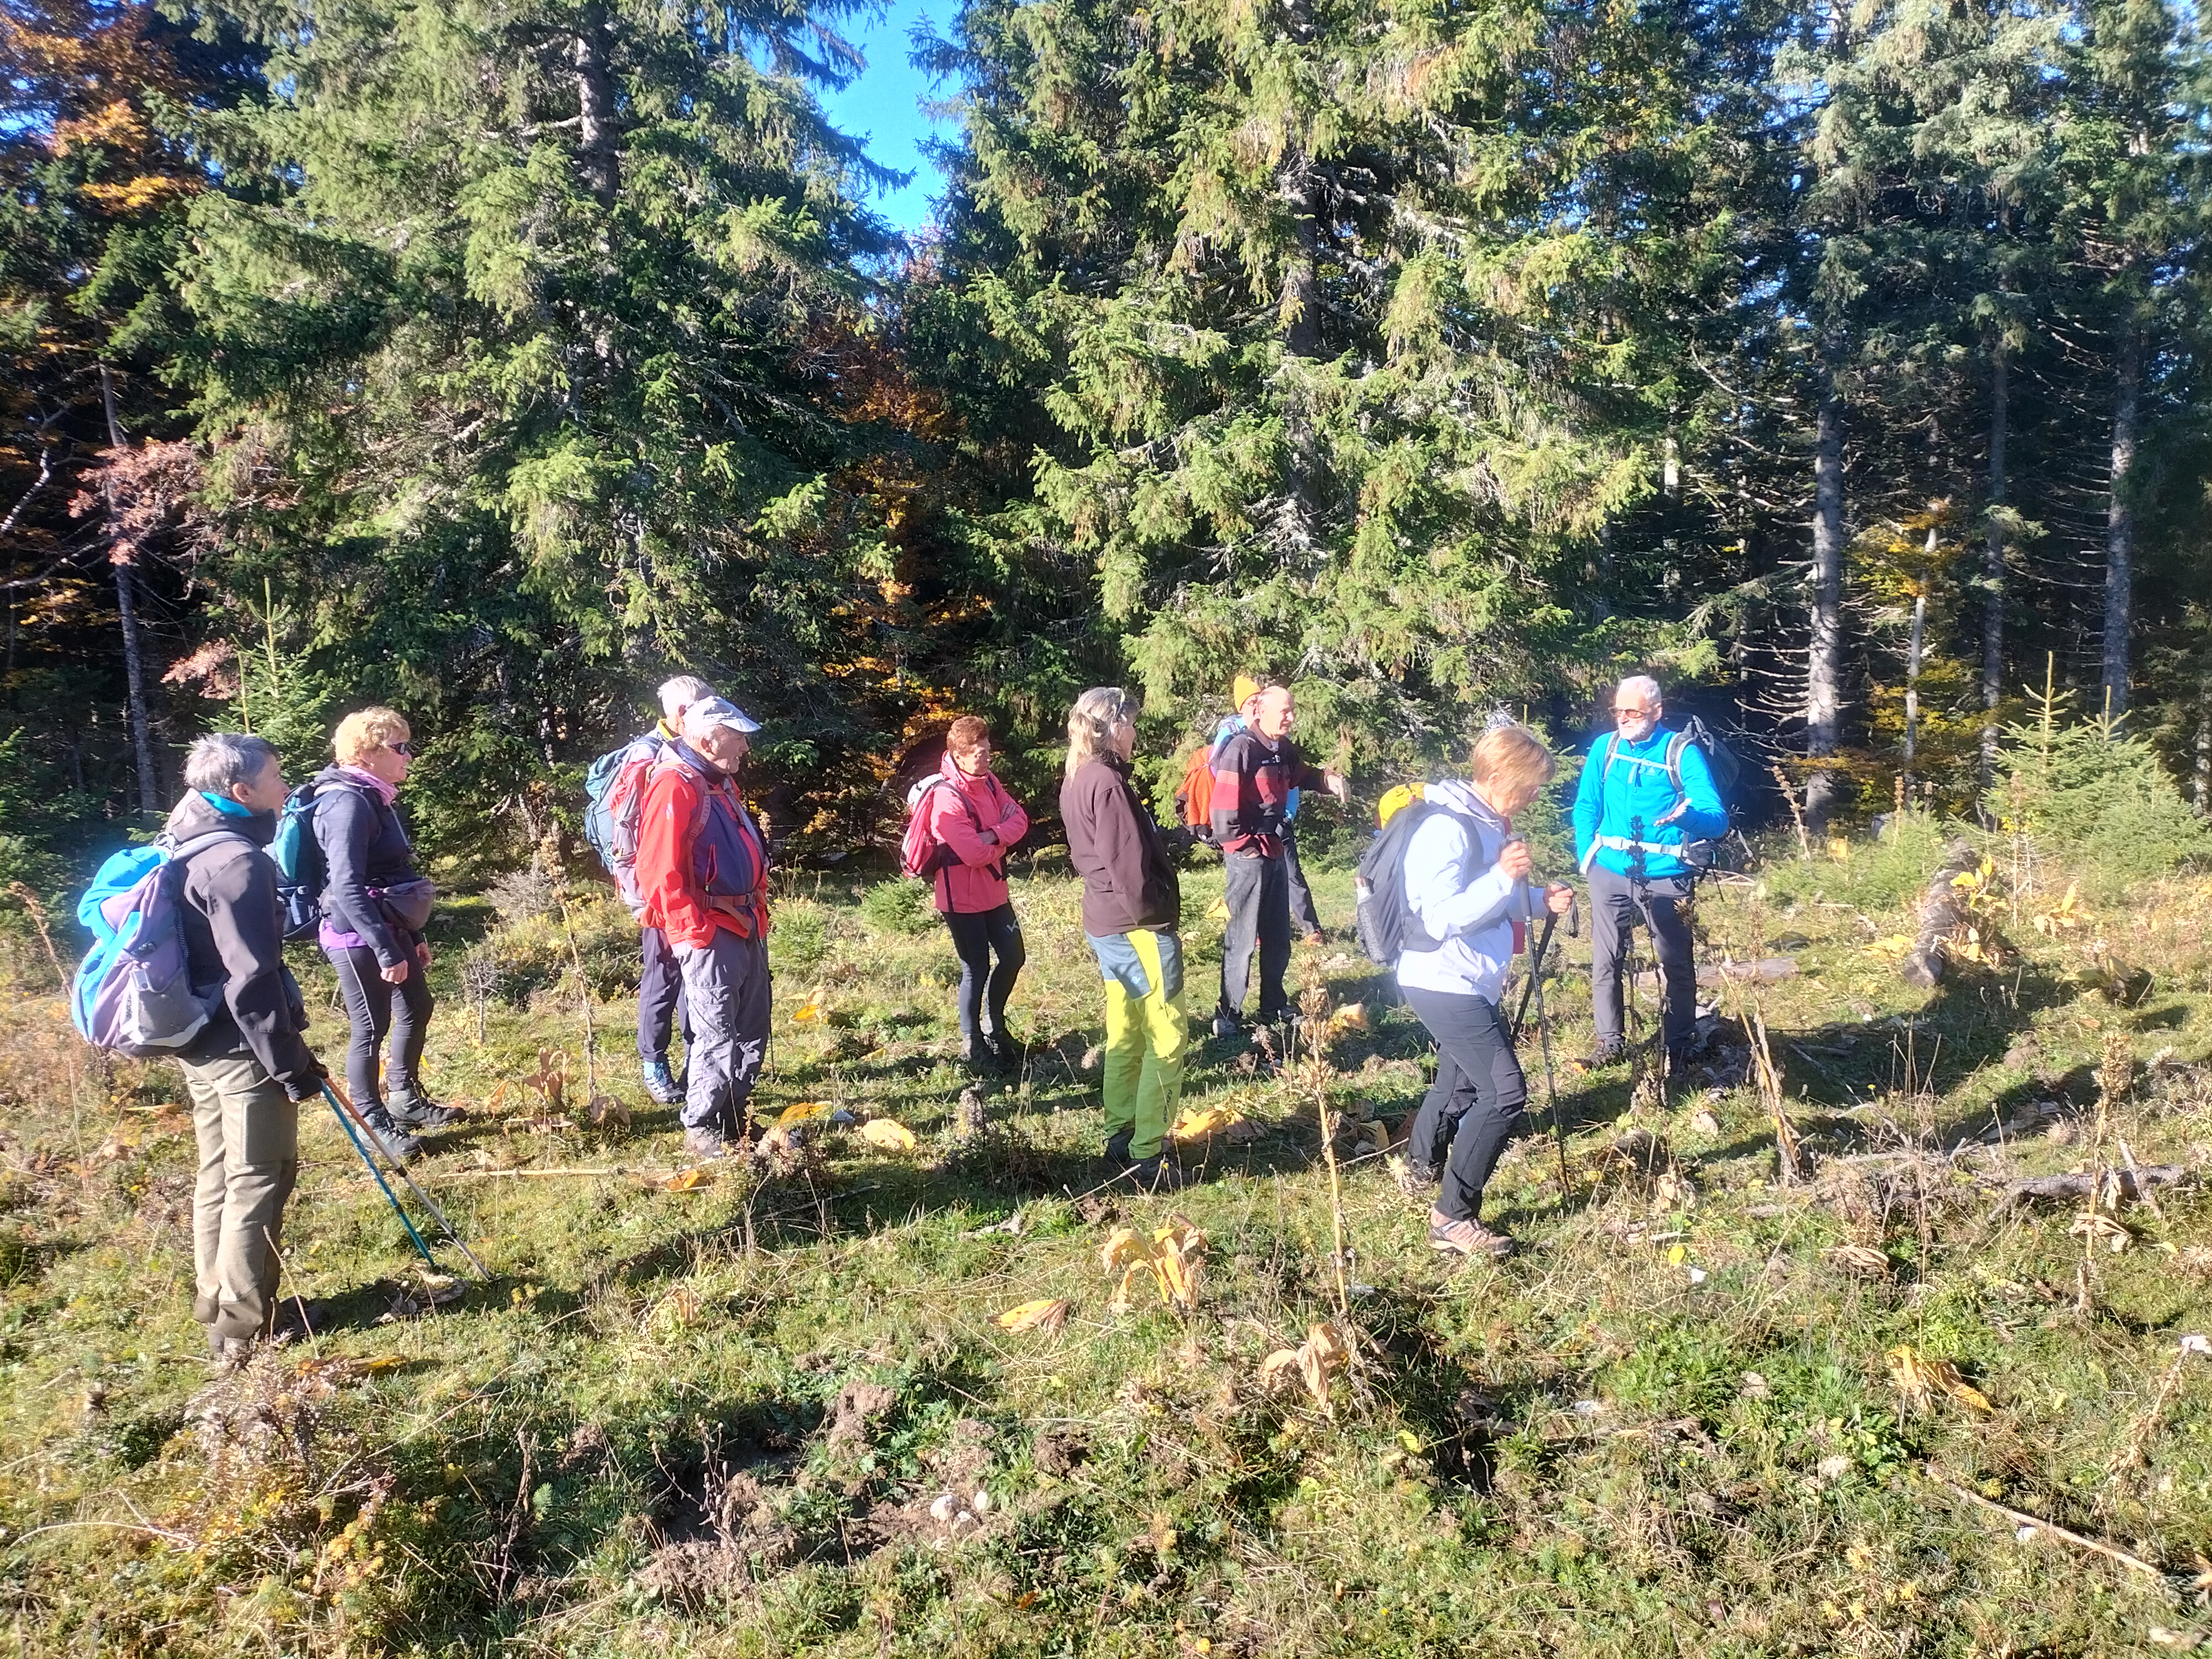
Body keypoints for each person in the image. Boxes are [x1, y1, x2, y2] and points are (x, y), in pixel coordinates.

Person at [168, 734, 328, 1365]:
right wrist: (287, 1063)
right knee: (261, 1176)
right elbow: (253, 978)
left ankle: (221, 1307)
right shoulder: (238, 862)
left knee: (219, 1174)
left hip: (199, 1038)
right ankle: (240, 1332)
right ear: (241, 793)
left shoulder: (187, 838)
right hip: (241, 1047)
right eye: (276, 778)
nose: (285, 788)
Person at [1394, 724, 1576, 1259]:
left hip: (1468, 977)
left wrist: (1540, 899)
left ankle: (1420, 1169)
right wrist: (1501, 878)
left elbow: (1494, 901)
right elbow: (1441, 914)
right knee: (1504, 1092)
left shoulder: (1491, 823)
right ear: (1496, 777)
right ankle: (1453, 1217)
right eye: (1528, 785)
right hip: (1441, 979)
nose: (1534, 796)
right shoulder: (1447, 829)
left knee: (1462, 1085)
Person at [635, 695, 774, 1160]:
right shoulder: (677, 784)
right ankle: (703, 1127)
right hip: (711, 931)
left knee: (753, 1027)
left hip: (745, 923)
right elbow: (658, 872)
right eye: (738, 738)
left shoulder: (718, 781)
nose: (745, 749)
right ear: (709, 738)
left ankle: (738, 1115)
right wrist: (693, 931)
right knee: (715, 1032)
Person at [1061, 687, 1188, 1190]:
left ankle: (1120, 1132)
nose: (1136, 732)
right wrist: (1159, 918)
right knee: (1167, 1032)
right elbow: (1128, 867)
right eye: (1131, 722)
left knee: (1127, 1028)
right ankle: (1148, 1150)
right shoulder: (1107, 783)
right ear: (1112, 727)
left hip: (1106, 923)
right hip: (1138, 926)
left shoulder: (1078, 776)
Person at [1569, 674, 1728, 1071]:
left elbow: (1717, 819)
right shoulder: (1605, 748)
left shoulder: (1680, 751)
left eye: (1633, 711)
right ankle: (1610, 1043)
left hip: (1666, 873)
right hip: (1608, 870)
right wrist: (1587, 857)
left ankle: (1677, 1048)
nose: (1623, 718)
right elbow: (1585, 805)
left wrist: (1689, 817)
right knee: (1606, 960)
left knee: (1675, 963)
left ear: (1656, 711)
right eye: (1618, 710)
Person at [312, 706, 449, 1161]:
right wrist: (388, 950)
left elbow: (392, 870)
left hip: (389, 925)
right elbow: (347, 886)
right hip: (355, 935)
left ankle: (405, 1098)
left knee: (416, 1005)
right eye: (400, 747)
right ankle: (372, 1119)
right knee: (370, 1028)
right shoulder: (346, 803)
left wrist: (414, 935)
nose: (409, 756)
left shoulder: (375, 795)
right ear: (368, 753)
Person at [1207, 682, 1347, 1035]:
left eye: (1292, 710)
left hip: (1275, 850)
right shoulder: (1241, 749)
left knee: (1277, 935)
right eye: (1284, 711)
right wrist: (1246, 846)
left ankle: (1273, 1005)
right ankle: (1228, 1014)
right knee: (1242, 938)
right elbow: (1222, 814)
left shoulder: (1282, 749)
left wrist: (1327, 780)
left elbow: (1304, 775)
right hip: (1249, 856)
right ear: (1260, 711)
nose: (1291, 717)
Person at [917, 715, 1030, 1071]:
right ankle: (973, 1043)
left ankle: (995, 1026)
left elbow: (1021, 820)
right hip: (960, 899)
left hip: (994, 890)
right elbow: (973, 854)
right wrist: (1000, 840)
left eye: (987, 750)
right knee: (975, 969)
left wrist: (993, 835)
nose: (986, 757)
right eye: (978, 752)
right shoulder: (946, 798)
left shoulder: (990, 783)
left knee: (1013, 957)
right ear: (959, 754)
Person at [633, 674, 713, 1105]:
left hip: (696, 891)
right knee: (663, 977)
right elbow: (651, 846)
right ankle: (653, 1063)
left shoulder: (695, 755)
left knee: (690, 981)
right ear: (683, 714)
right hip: (662, 893)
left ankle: (695, 1059)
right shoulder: (653, 757)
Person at [1209, 676, 1322, 941]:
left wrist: (1323, 781)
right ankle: (1253, 936)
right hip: (1247, 835)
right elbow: (1223, 789)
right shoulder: (1237, 741)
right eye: (1249, 702)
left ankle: (1308, 928)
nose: (1253, 705)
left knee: (1291, 874)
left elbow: (1296, 775)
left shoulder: (1281, 743)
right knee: (1250, 891)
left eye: (1256, 699)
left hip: (1280, 822)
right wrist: (1242, 843)